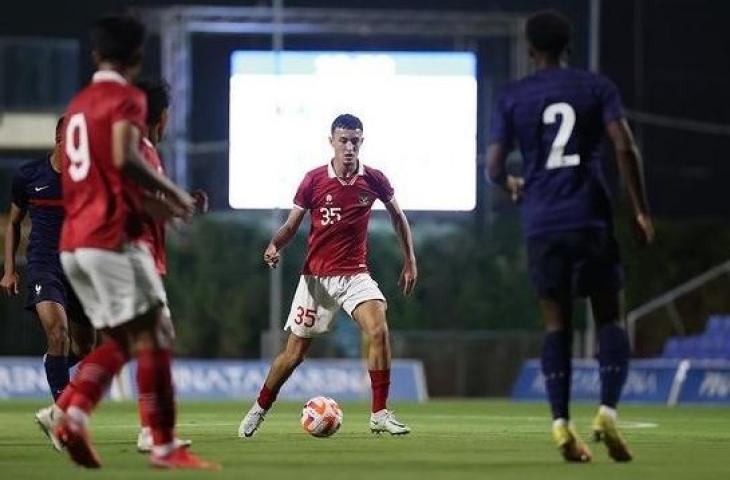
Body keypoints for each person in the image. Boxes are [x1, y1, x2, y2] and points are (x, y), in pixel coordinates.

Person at [37, 14, 218, 470]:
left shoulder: (78, 105)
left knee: (123, 337)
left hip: (75, 242)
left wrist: (165, 207)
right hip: (110, 239)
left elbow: (104, 178)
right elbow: (123, 157)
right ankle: (161, 444)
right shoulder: (126, 99)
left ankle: (71, 414)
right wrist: (174, 194)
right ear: (136, 57)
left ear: (96, 54)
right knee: (156, 332)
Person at [486, 10, 655, 463]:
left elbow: (495, 167)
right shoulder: (595, 87)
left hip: (542, 222)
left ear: (529, 50)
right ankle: (606, 413)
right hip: (590, 218)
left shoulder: (514, 96)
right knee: (609, 320)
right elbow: (624, 146)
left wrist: (512, 186)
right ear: (569, 47)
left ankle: (562, 426)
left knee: (556, 325)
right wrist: (640, 211)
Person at [238, 113, 417, 438]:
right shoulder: (314, 180)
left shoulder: (374, 178)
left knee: (378, 330)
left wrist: (410, 260)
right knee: (293, 355)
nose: (349, 146)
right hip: (316, 280)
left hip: (355, 276)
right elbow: (292, 225)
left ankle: (379, 413)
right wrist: (274, 245)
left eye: (355, 140)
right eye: (343, 140)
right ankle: (259, 408)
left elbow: (398, 217)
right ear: (331, 141)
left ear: (362, 141)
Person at [1, 117, 95, 414]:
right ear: (58, 137)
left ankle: (53, 361)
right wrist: (9, 270)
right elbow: (13, 223)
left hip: (78, 269)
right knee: (58, 332)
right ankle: (63, 415)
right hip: (44, 265)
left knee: (84, 347)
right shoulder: (29, 175)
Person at [133, 78, 206, 453]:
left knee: (131, 343)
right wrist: (177, 206)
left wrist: (182, 205)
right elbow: (139, 201)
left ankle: (66, 410)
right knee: (158, 338)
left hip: (144, 255)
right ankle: (154, 430)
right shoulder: (139, 151)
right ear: (161, 115)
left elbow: (153, 202)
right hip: (136, 254)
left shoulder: (145, 150)